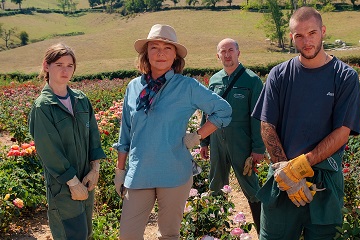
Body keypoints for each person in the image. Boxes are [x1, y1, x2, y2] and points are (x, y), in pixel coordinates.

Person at [112, 24, 232, 240]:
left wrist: (197, 136)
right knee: (127, 235)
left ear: (175, 55)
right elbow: (125, 133)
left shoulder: (186, 86)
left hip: (174, 172)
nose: (160, 53)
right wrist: (120, 171)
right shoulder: (133, 87)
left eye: (167, 48)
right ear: (146, 53)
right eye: (154, 47)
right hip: (139, 172)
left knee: (168, 235)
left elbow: (223, 110)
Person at [251, 7, 360, 240]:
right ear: (292, 38)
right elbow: (267, 125)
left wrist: (299, 168)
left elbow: (342, 132)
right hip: (281, 181)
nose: (306, 41)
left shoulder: (345, 77)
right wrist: (286, 174)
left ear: (323, 32)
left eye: (312, 33)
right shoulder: (279, 74)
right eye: (299, 36)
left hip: (324, 181)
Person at [29, 43, 107, 240]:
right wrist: (72, 183)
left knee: (86, 233)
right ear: (46, 66)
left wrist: (94, 169)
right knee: (71, 234)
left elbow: (93, 136)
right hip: (63, 184)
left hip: (86, 179)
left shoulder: (81, 100)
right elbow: (49, 151)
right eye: (59, 65)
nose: (65, 71)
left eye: (70, 65)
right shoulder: (43, 107)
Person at [200, 38, 266, 234]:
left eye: (231, 50)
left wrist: (258, 148)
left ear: (239, 53)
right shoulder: (214, 80)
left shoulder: (251, 80)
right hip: (217, 141)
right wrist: (203, 141)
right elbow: (207, 111)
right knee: (216, 185)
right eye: (223, 51)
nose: (227, 54)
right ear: (218, 55)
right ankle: (217, 232)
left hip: (242, 142)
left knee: (251, 188)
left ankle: (264, 232)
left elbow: (258, 117)